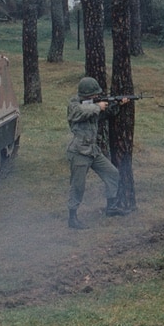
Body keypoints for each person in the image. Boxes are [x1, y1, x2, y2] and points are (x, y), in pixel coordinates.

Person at [65, 77, 125, 229]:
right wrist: (98, 106)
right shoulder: (75, 105)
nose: (96, 97)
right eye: (93, 95)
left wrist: (117, 104)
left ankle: (111, 207)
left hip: (93, 150)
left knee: (112, 173)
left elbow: (104, 115)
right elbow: (77, 113)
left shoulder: (92, 106)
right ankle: (72, 218)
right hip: (79, 151)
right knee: (77, 186)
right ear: (86, 95)